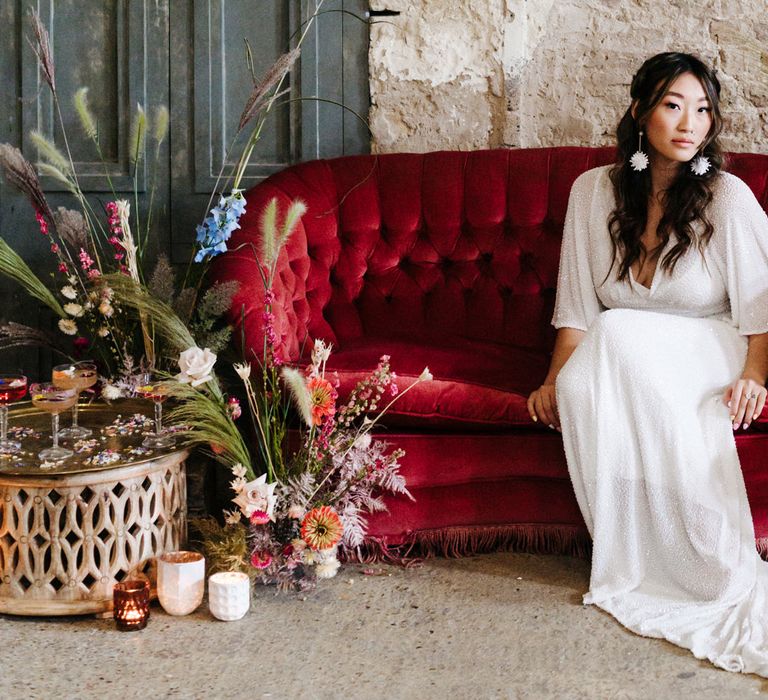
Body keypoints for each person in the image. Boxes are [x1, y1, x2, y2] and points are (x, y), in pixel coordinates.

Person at [527, 52, 768, 675]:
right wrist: (556, 379)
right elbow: (577, 306)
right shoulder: (593, 191)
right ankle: (632, 555)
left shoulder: (727, 197)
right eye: (673, 104)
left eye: (703, 109)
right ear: (639, 111)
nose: (691, 122)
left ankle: (708, 557)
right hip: (620, 347)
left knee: (620, 334)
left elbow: (761, 308)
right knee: (583, 388)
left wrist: (755, 375)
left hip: (708, 342)